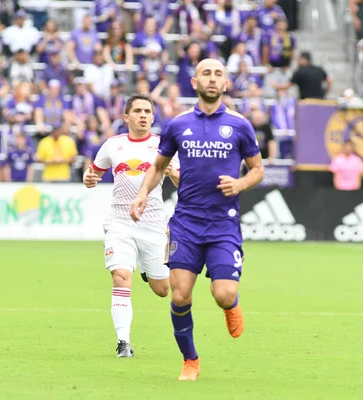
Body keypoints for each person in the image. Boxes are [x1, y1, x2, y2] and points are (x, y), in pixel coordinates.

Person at [130, 59, 265, 380]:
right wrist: (142, 193)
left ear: (226, 83)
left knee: (224, 294)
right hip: (186, 223)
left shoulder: (240, 125)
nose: (212, 79)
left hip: (222, 225)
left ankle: (232, 304)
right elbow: (159, 166)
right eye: (206, 73)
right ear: (194, 82)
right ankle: (190, 360)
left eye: (218, 74)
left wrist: (241, 183)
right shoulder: (178, 125)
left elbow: (258, 169)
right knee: (179, 295)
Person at [82, 94, 173, 358]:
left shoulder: (164, 146)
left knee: (162, 290)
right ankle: (123, 342)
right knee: (121, 276)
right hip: (120, 222)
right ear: (126, 117)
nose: (143, 115)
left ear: (153, 117)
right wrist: (88, 178)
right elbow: (93, 174)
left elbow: (181, 180)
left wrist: (173, 173)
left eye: (148, 111)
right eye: (138, 111)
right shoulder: (113, 145)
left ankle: (147, 268)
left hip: (154, 224)